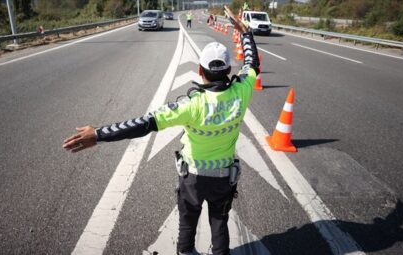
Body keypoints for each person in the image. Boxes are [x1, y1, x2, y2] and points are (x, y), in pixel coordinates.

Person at [62, 6, 260, 255]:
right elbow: (252, 63)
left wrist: (99, 134)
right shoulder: (242, 92)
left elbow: (143, 124)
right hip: (223, 179)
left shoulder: (191, 105)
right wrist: (245, 33)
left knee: (187, 225)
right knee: (219, 224)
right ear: (229, 71)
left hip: (193, 179)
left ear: (200, 71)